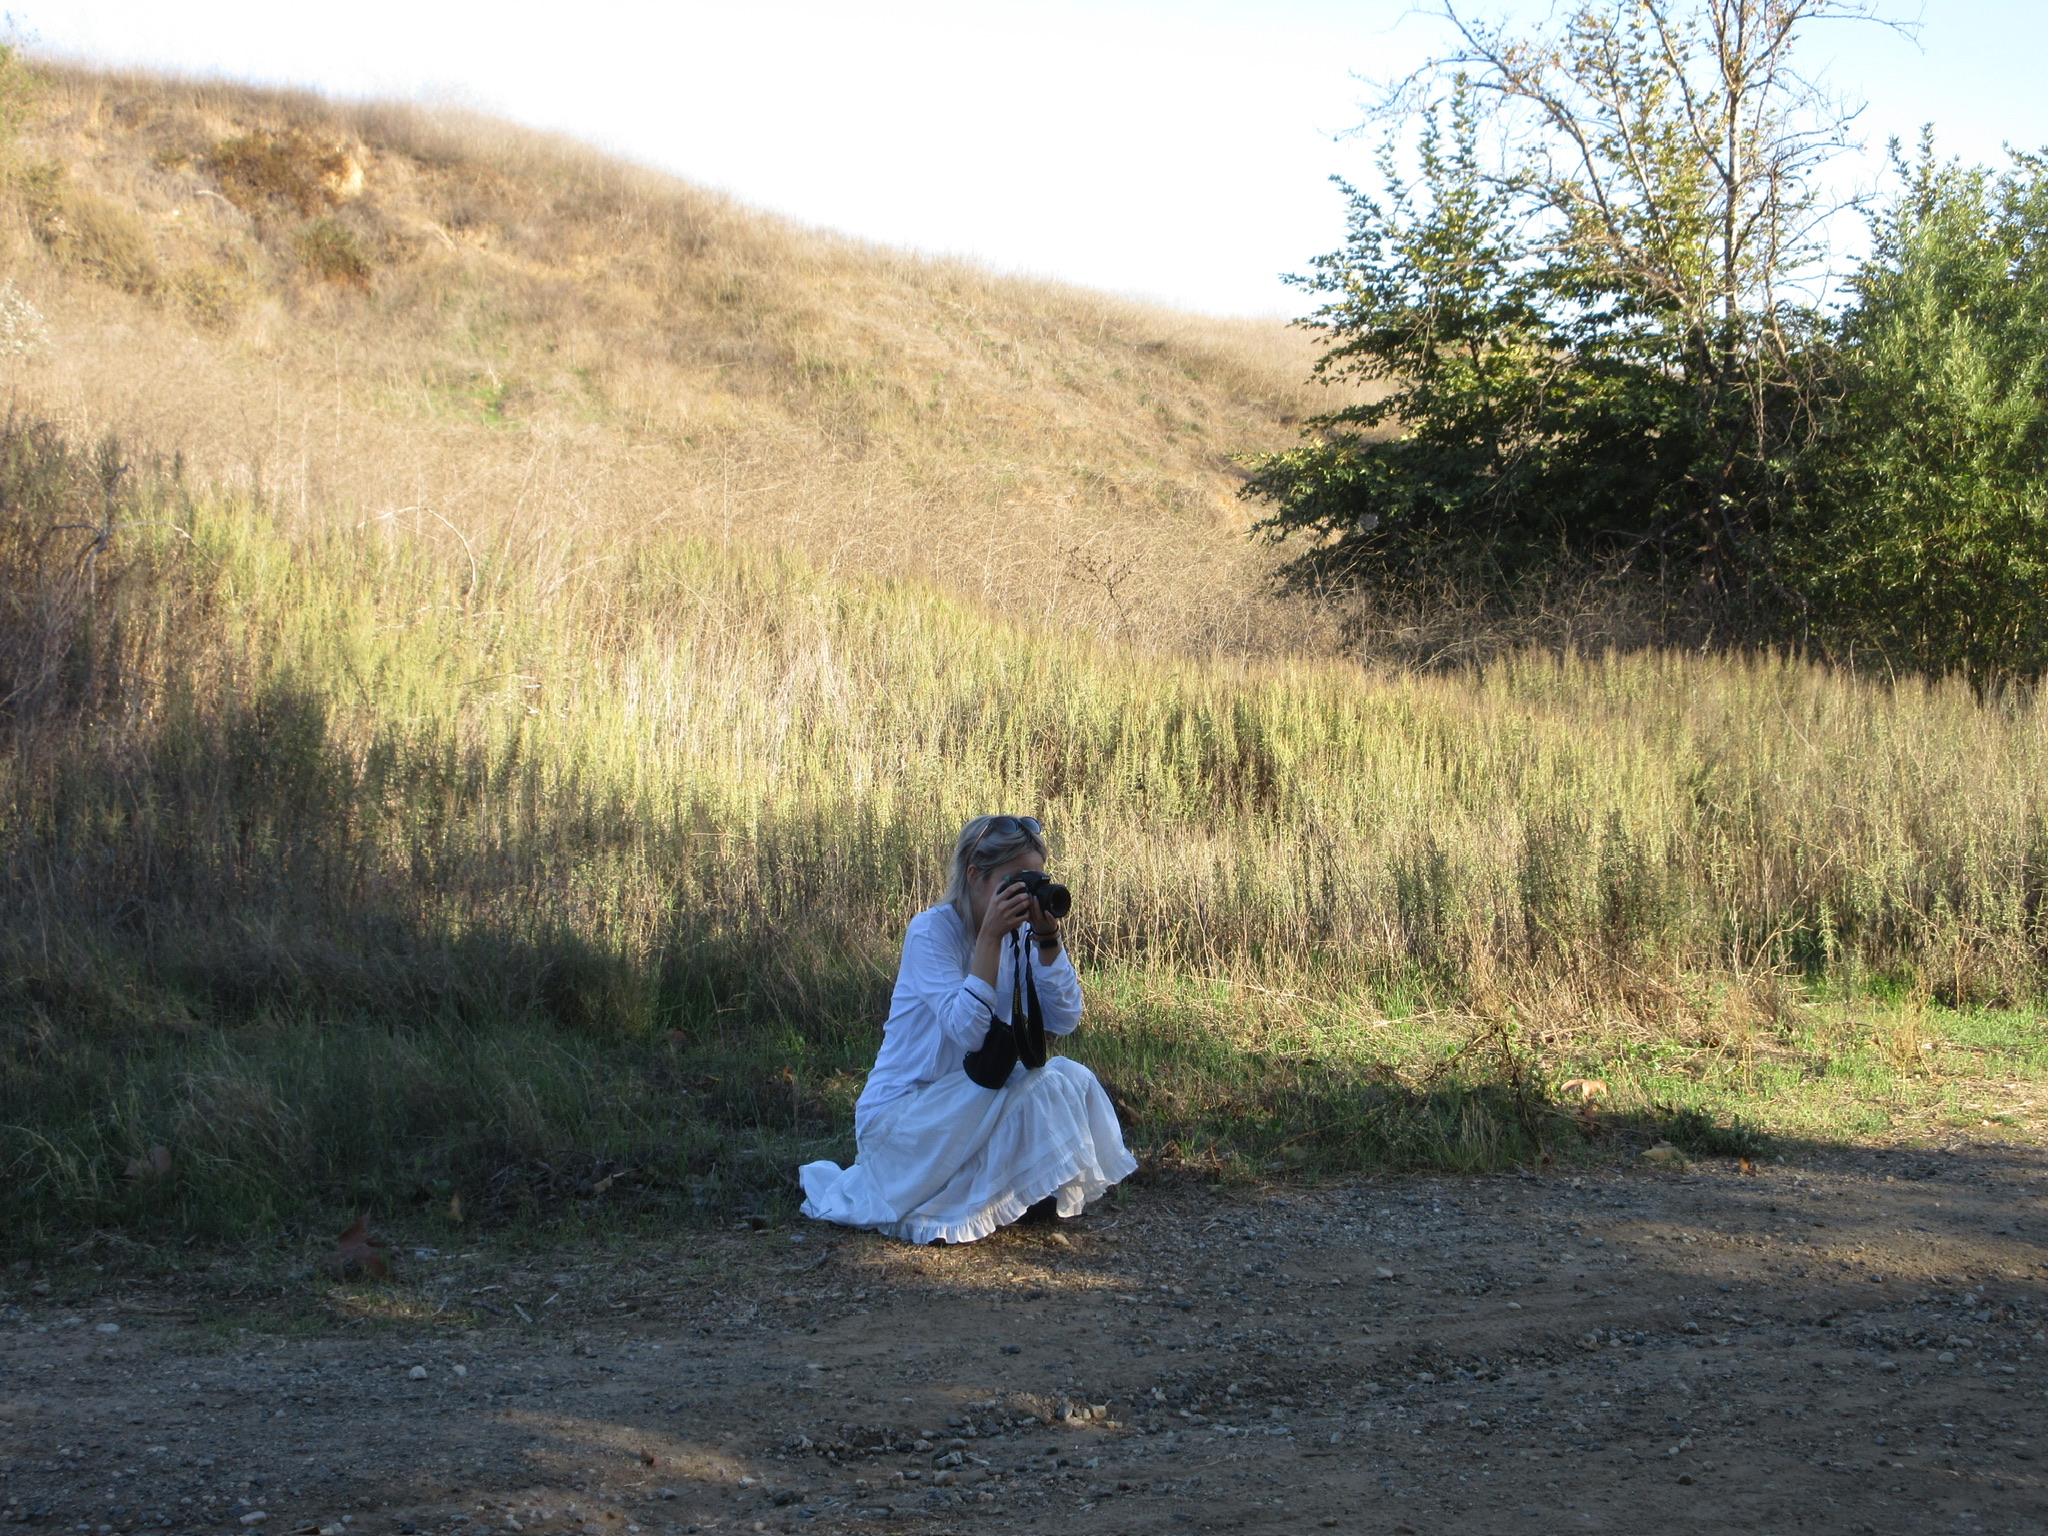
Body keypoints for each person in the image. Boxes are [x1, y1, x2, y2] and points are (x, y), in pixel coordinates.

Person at [798, 815, 1136, 1244]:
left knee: (1069, 1077)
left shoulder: (1020, 937)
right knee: (1044, 1085)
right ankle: (973, 1198)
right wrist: (989, 940)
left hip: (969, 1106)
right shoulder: (931, 932)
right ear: (975, 875)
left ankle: (1005, 1196)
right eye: (1013, 883)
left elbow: (1065, 1019)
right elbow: (970, 1033)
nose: (1023, 897)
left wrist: (1047, 938)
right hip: (902, 1122)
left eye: (1034, 882)